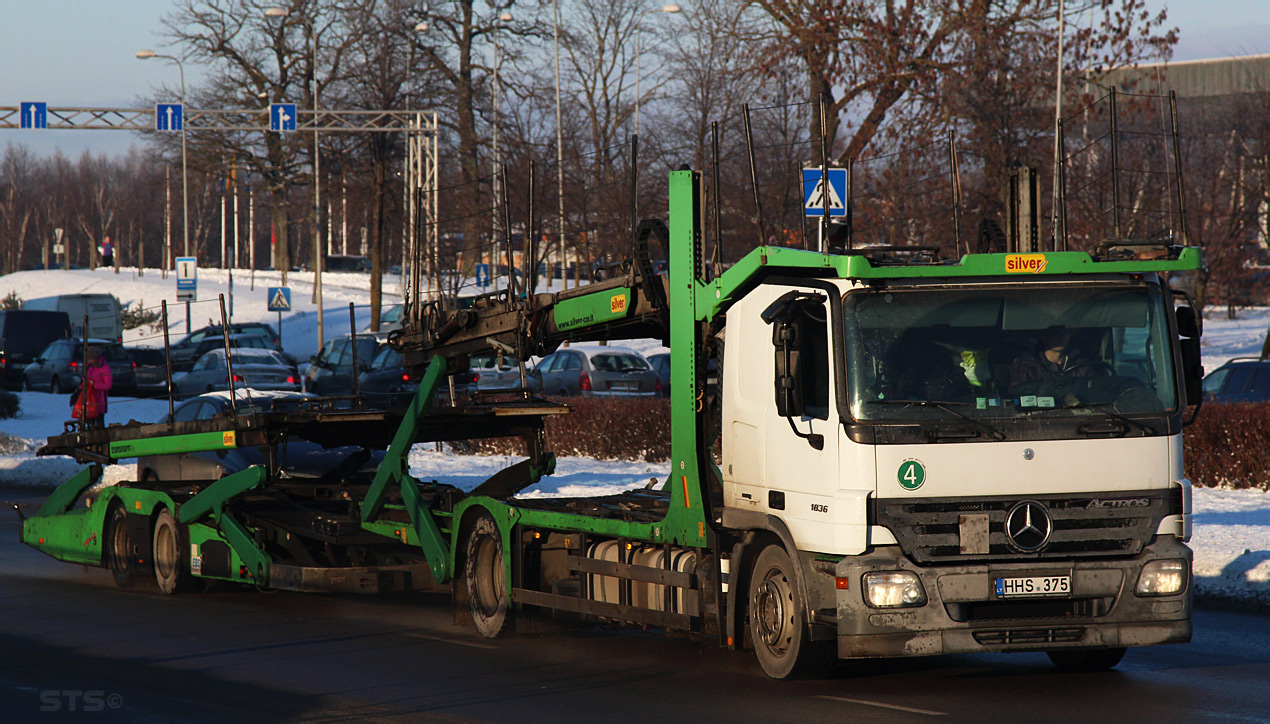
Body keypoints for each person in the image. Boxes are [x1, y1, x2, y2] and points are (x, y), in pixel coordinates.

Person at [1010, 325, 1099, 405]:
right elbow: (1019, 396)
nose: (1061, 337)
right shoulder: (1028, 365)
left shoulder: (1082, 364)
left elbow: (1094, 394)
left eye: (1065, 333)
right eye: (1056, 333)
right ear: (1045, 337)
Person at [70, 346, 113, 429]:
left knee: (99, 425)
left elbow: (108, 385)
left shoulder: (105, 368)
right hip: (88, 401)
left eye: (91, 359)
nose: (89, 360)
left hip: (99, 402)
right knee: (89, 425)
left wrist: (94, 384)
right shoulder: (89, 367)